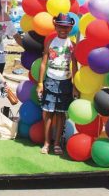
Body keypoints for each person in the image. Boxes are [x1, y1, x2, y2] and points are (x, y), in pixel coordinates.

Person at [37, 13, 79, 155]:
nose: (63, 29)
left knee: (60, 114)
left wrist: (75, 86)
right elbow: (43, 64)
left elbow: (74, 66)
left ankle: (56, 143)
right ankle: (47, 142)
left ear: (71, 28)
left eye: (66, 27)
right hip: (50, 81)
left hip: (66, 83)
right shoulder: (50, 42)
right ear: (55, 26)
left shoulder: (72, 45)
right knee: (48, 113)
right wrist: (40, 83)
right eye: (60, 26)